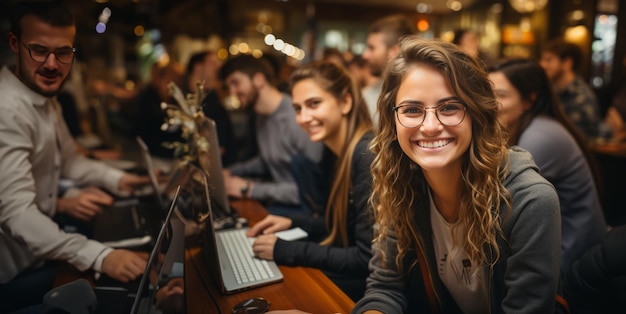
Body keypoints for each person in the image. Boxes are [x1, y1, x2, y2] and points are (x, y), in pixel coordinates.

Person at [352, 37, 562, 313]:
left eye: (449, 107)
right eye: (412, 110)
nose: (429, 126)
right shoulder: (399, 184)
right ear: (393, 121)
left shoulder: (530, 201)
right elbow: (385, 288)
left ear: (477, 114)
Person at [0, 3, 151, 312]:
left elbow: (71, 161)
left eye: (63, 52)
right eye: (39, 50)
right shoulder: (6, 110)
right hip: (11, 275)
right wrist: (99, 256)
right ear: (15, 44)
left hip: (38, 255)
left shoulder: (45, 100)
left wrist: (120, 179)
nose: (52, 64)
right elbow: (17, 214)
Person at [246, 61, 375, 301]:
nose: (304, 118)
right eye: (297, 108)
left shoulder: (366, 155)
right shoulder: (334, 153)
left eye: (314, 104)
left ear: (345, 102)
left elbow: (365, 259)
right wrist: (293, 221)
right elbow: (342, 225)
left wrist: (286, 250)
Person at [488, 57, 607, 274]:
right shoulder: (526, 127)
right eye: (487, 93)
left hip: (574, 257)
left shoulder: (539, 136)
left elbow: (499, 204)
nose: (489, 103)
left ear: (529, 100)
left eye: (501, 95)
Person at [218, 54, 323, 217]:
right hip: (281, 202)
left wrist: (249, 189)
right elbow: (268, 160)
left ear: (259, 80)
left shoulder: (297, 117)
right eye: (228, 86)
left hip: (305, 211)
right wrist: (230, 172)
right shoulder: (261, 116)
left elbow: (313, 190)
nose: (232, 91)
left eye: (235, 83)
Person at [540, 39, 601, 140]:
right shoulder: (550, 90)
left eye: (549, 60)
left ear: (567, 63)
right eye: (543, 59)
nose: (542, 64)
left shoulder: (582, 96)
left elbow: (579, 139)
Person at [184, 50, 236, 166]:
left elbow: (220, 145)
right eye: (213, 63)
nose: (219, 66)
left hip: (218, 168)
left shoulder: (213, 100)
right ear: (198, 67)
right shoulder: (180, 98)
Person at [361, 14, 415, 125]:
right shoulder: (367, 96)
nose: (365, 55)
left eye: (372, 48)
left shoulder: (422, 92)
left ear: (394, 51)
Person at [132, 60, 185, 160]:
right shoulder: (149, 100)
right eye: (171, 80)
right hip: (155, 157)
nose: (174, 86)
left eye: (177, 82)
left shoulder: (173, 101)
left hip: (163, 155)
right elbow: (149, 137)